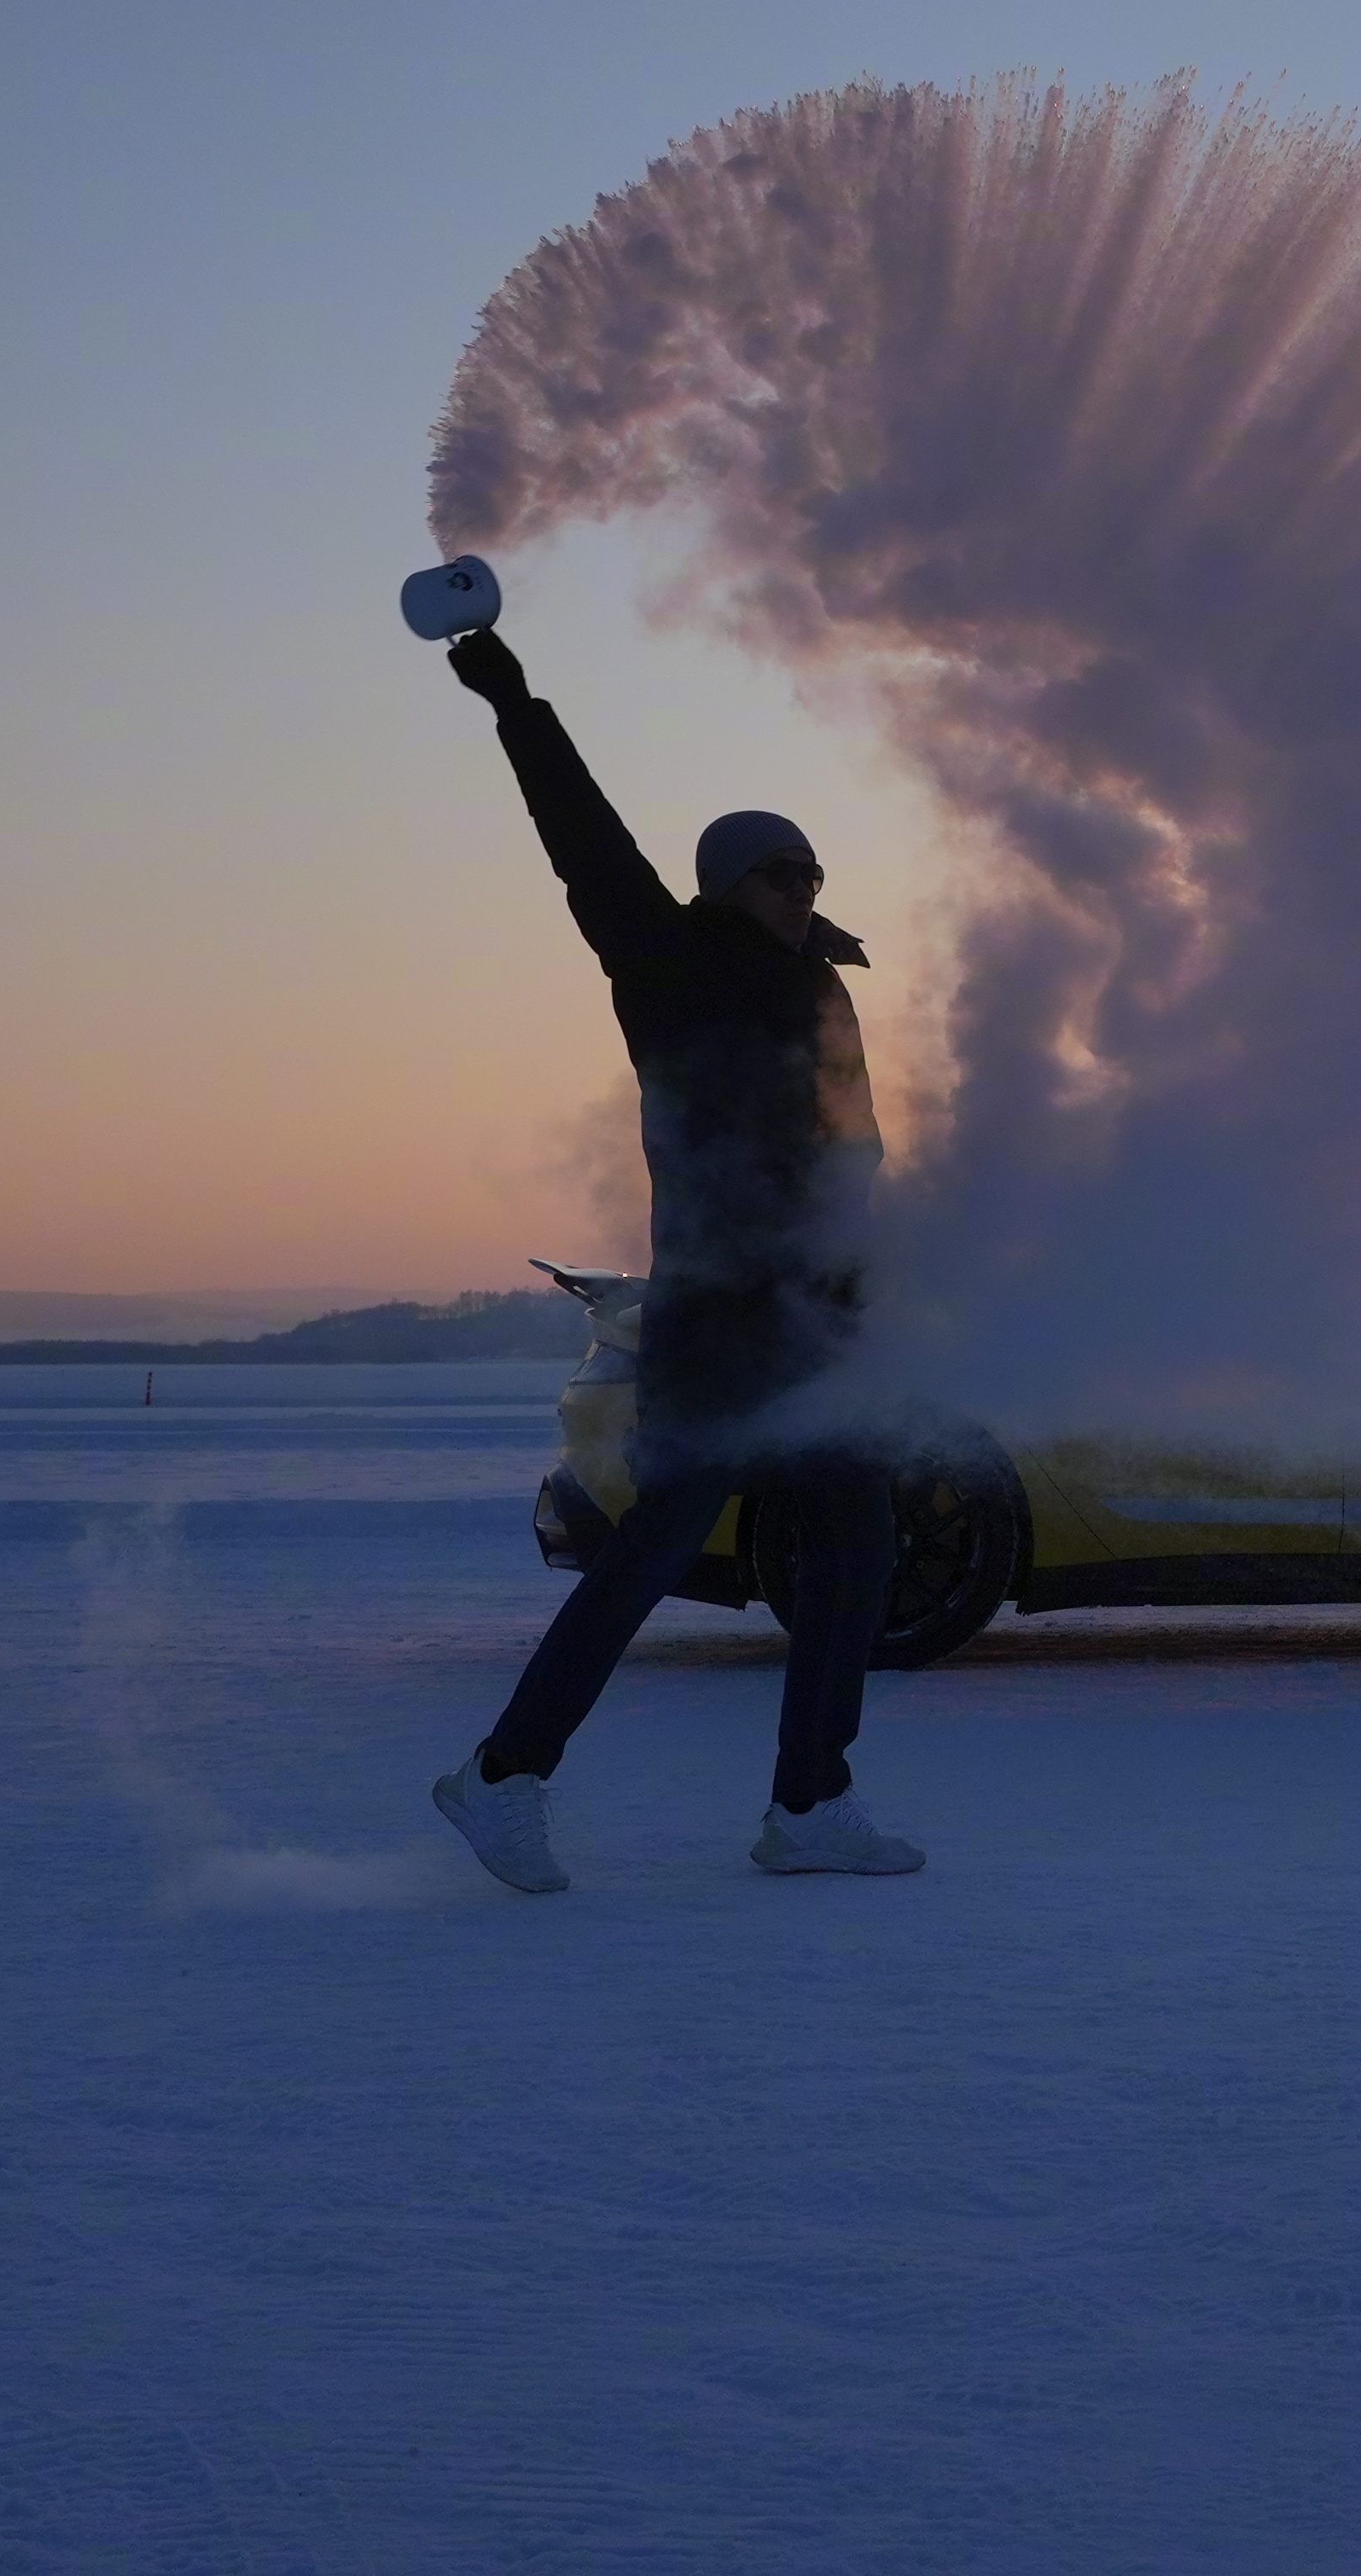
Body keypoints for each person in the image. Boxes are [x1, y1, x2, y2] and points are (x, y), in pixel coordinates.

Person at [427, 618, 922, 1890]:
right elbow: (580, 838)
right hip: (717, 1324)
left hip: (811, 1325)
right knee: (653, 1553)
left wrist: (869, 1285)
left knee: (858, 1542)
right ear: (721, 885)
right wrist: (513, 697)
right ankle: (501, 1777)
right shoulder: (664, 964)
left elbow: (852, 1161)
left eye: (812, 869)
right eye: (776, 871)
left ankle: (810, 1807)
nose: (803, 886)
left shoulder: (816, 989)